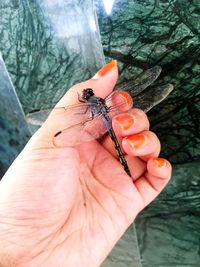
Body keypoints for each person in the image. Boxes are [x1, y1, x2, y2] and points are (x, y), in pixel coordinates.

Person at [0, 60, 171, 267]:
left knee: (128, 127)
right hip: (109, 132)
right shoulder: (101, 104)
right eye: (88, 95)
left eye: (88, 95)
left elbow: (73, 122)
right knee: (125, 132)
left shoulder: (85, 108)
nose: (89, 95)